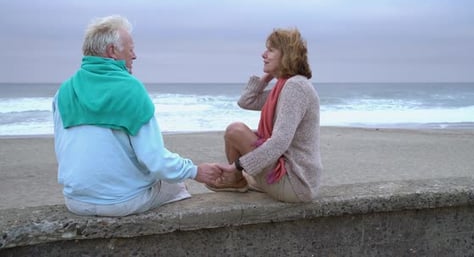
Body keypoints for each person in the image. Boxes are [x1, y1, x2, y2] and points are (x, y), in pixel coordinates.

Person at [52, 15, 221, 216]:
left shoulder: (63, 91)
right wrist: (196, 171)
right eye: (131, 49)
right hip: (122, 203)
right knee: (177, 186)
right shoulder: (130, 89)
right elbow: (155, 161)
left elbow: (64, 150)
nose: (135, 56)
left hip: (75, 201)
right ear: (112, 51)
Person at [206, 28, 323, 202]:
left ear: (286, 54)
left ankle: (236, 179)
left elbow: (279, 142)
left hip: (296, 183)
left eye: (271, 50)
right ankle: (238, 180)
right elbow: (247, 101)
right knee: (234, 132)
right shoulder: (284, 87)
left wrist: (238, 165)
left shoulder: (295, 87)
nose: (263, 54)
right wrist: (266, 78)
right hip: (293, 179)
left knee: (235, 130)